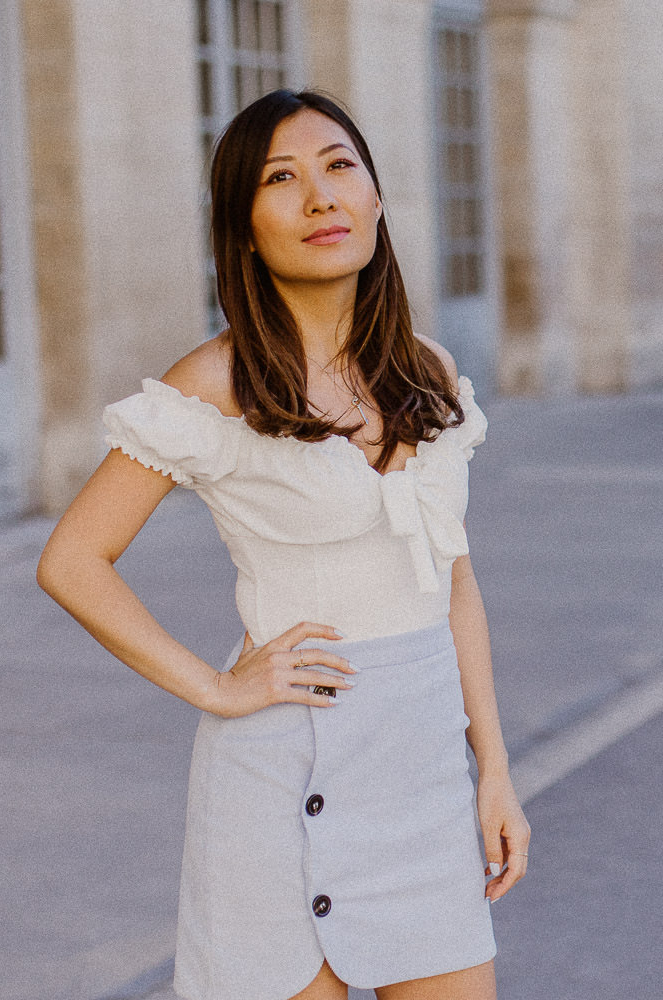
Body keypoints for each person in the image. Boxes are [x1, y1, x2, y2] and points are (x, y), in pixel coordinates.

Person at [36, 89, 529, 1000]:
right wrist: (220, 687)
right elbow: (71, 560)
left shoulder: (426, 369)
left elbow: (454, 582)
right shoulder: (217, 382)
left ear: (377, 196)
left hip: (421, 775)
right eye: (281, 178)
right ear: (244, 228)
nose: (320, 197)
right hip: (281, 777)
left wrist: (493, 770)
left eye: (340, 166)